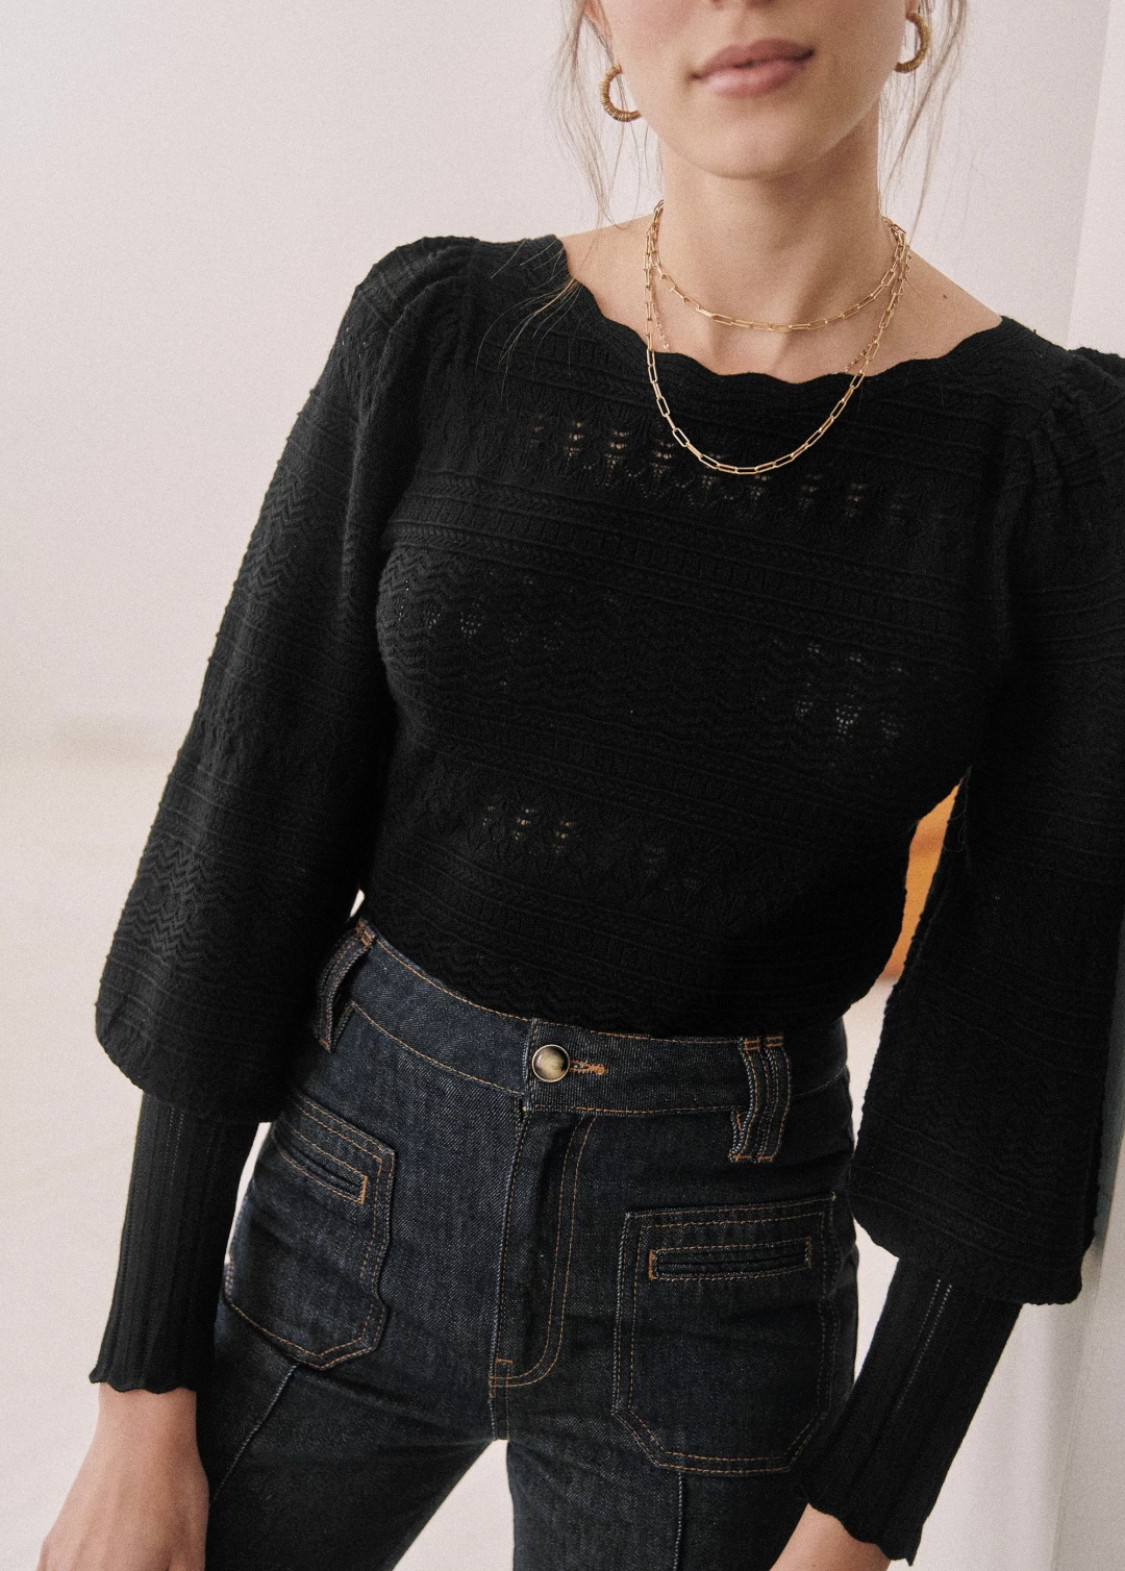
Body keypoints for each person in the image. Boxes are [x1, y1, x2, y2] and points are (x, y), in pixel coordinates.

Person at [38, 1, 1125, 1568]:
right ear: (601, 25)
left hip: (722, 1287)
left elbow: (1018, 1017)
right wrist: (142, 1390)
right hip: (352, 1196)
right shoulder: (440, 333)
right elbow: (247, 826)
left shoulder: (1051, 464)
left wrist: (862, 1517)